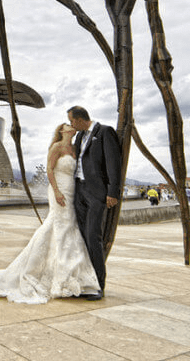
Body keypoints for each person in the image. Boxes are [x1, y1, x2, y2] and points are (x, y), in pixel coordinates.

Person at [0, 123, 101, 304]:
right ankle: (61, 275)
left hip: (73, 190)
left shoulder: (74, 147)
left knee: (68, 227)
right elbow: (50, 169)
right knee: (61, 225)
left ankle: (71, 274)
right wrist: (56, 191)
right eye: (68, 125)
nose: (72, 126)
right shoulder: (57, 147)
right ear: (62, 130)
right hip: (59, 190)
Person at [67, 105, 122, 300]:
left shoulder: (105, 132)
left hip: (96, 192)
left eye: (72, 120)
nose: (71, 124)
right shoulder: (80, 136)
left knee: (93, 237)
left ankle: (99, 285)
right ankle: (84, 282)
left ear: (81, 119)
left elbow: (114, 162)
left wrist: (113, 191)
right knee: (81, 238)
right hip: (79, 191)